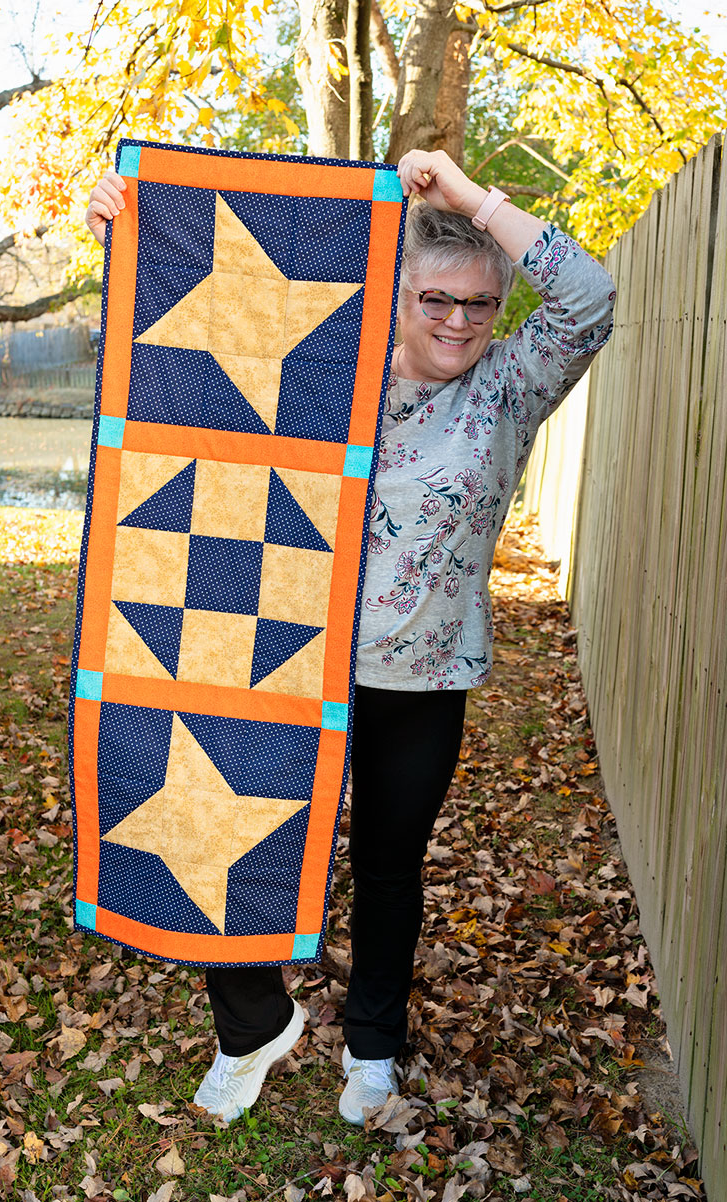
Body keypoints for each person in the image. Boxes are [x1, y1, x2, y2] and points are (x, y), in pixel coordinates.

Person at [85, 148, 616, 1126]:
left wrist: (464, 196)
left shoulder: (507, 387)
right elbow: (193, 347)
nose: (456, 320)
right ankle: (251, 1023)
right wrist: (135, 231)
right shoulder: (325, 367)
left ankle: (370, 1047)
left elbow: (588, 297)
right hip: (282, 659)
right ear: (395, 290)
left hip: (419, 680)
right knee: (219, 827)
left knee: (385, 863)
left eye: (476, 303)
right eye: (433, 298)